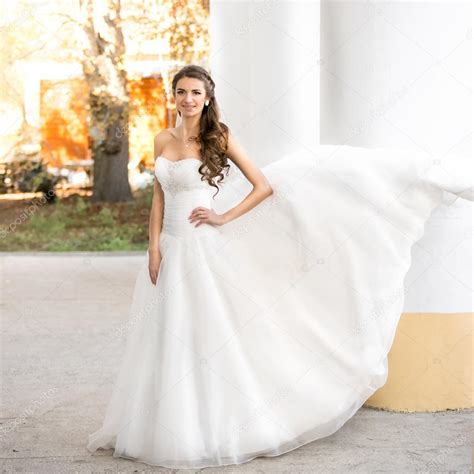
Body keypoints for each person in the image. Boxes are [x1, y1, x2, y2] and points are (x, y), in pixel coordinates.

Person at [86, 64, 472, 469]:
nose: (188, 99)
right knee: (166, 334)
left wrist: (222, 217)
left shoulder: (219, 136)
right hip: (170, 247)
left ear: (207, 97)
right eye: (181, 91)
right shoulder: (162, 138)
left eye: (196, 93)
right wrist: (152, 248)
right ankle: (160, 425)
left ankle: (209, 427)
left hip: (201, 248)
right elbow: (159, 200)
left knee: (204, 336)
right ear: (174, 96)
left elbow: (263, 185)